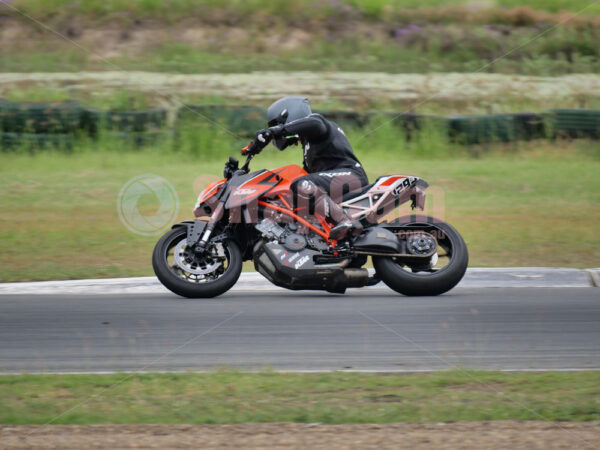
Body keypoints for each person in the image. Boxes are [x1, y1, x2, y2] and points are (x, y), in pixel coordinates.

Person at [247, 96, 369, 240]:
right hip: (335, 181)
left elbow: (315, 124)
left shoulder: (317, 123)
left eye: (278, 123)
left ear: (288, 114)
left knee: (301, 184)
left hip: (350, 175)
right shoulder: (309, 146)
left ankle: (344, 220)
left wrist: (275, 131)